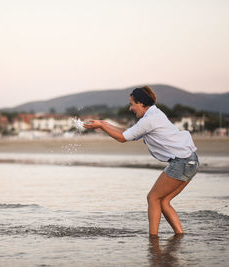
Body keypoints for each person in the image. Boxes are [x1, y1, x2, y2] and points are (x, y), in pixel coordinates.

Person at [84, 86, 199, 236]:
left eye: (132, 104)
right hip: (191, 160)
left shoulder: (149, 120)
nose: (130, 108)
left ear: (141, 103)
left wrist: (101, 126)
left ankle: (153, 239)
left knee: (152, 197)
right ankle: (180, 235)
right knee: (163, 202)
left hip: (182, 161)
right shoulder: (154, 114)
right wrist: (103, 123)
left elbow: (122, 138)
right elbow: (126, 133)